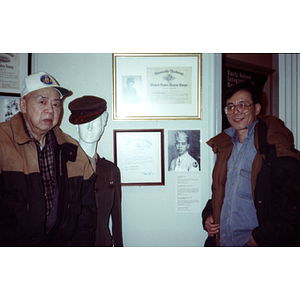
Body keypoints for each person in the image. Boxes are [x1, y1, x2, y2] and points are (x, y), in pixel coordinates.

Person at [0, 71, 97, 246]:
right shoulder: (3, 142)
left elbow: (86, 214)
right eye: (42, 101)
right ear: (23, 105)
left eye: (56, 104)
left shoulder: (72, 149)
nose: (50, 110)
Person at [202, 81, 300, 247]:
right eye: (230, 106)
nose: (236, 111)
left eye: (243, 105)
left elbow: (292, 202)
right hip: (223, 242)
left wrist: (262, 237)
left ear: (256, 109)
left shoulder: (274, 148)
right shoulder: (224, 146)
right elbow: (225, 191)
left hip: (253, 244)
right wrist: (209, 214)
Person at [69, 95, 123, 247]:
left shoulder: (111, 171)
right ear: (76, 126)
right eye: (85, 122)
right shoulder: (65, 167)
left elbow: (117, 218)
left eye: (96, 122)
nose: (90, 128)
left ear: (104, 125)